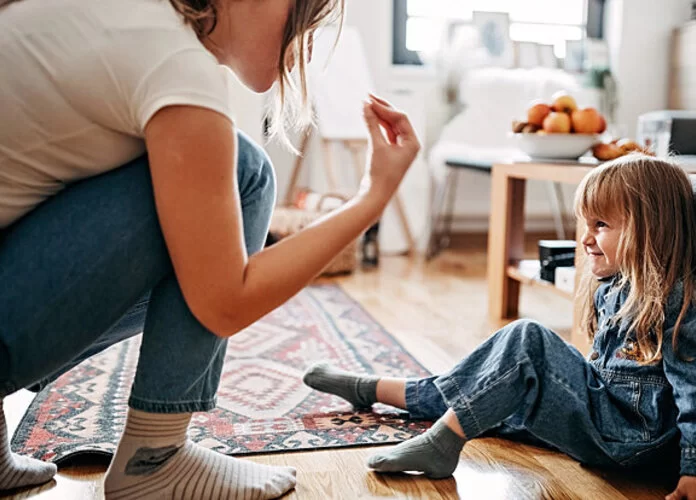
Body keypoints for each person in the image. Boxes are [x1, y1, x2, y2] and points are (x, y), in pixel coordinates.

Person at [0, 0, 420, 498]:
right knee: (245, 172)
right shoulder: (172, 61)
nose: (305, 44)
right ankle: (155, 460)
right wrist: (372, 198)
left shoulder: (131, 17)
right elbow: (225, 302)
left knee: (203, 197)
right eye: (304, 18)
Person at [304, 155, 696, 500]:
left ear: (651, 229)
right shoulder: (616, 286)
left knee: (526, 339)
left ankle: (442, 443)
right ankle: (378, 389)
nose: (585, 238)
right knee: (488, 388)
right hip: (606, 418)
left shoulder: (675, 299)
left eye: (600, 225)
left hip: (628, 438)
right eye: (585, 223)